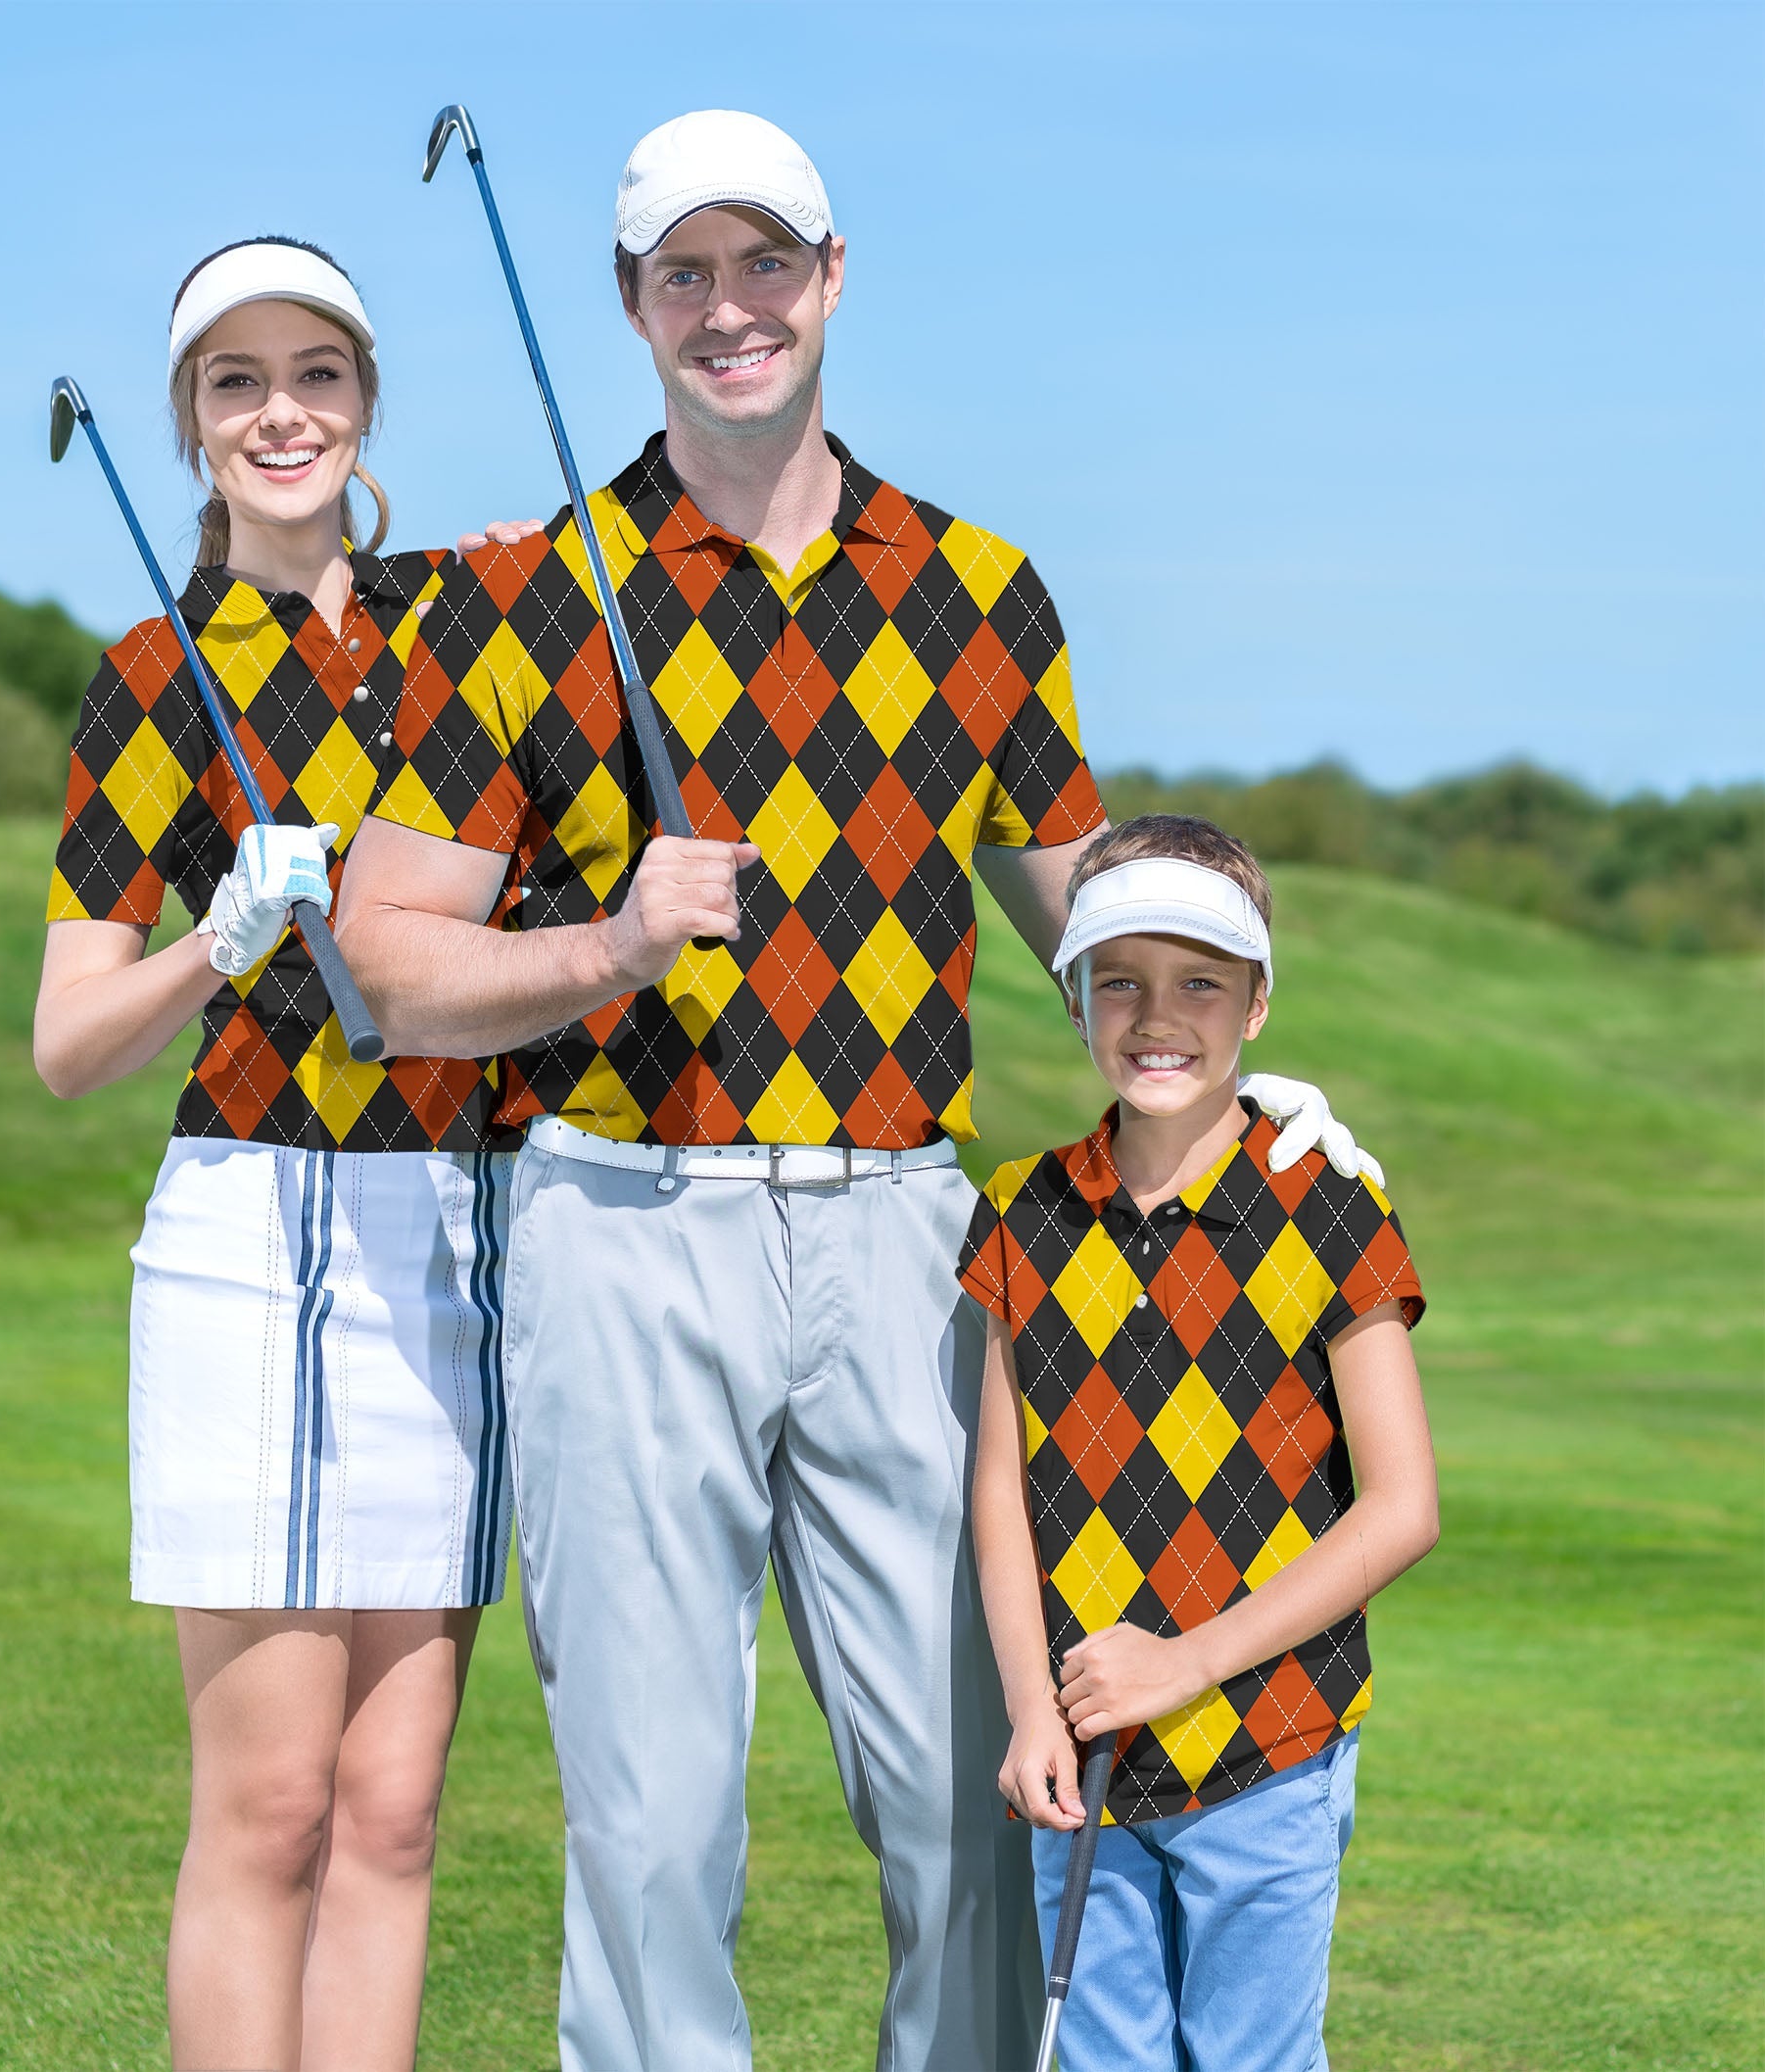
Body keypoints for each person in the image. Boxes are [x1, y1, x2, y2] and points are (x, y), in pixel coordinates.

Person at [338, 113, 1372, 2071]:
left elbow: (1098, 926)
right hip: (620, 1224)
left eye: (764, 264)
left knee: (979, 1793)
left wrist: (1253, 1063)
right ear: (632, 306)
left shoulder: (978, 593)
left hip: (908, 1242)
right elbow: (389, 960)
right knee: (651, 1824)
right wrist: (601, 949)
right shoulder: (526, 595)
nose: (729, 311)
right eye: (683, 275)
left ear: (830, 275)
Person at [33, 236, 529, 2072]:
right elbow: (70, 1043)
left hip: (444, 1237)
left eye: (314, 373)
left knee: (393, 1809)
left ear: (366, 401)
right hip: (247, 1231)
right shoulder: (149, 678)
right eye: (236, 382)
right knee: (270, 1809)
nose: (281, 413)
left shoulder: (467, 642)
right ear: (189, 424)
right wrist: (217, 939)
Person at [961, 814, 1440, 2072]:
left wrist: (1187, 1665)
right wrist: (1028, 1709)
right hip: (1085, 1756)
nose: (1155, 1015)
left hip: (1270, 1745)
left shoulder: (1333, 1206)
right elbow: (999, 1495)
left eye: (1199, 984)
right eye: (1118, 979)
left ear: (1257, 1007)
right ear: (1072, 997)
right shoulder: (1022, 1214)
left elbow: (1401, 1508)